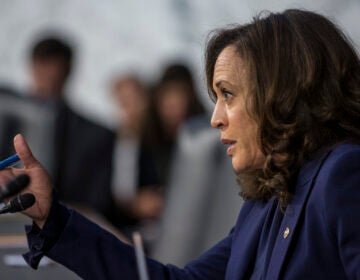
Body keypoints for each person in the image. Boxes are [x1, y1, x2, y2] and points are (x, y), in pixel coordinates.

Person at [1, 9, 360, 279]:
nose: (215, 117)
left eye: (229, 95)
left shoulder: (343, 176)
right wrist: (53, 217)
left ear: (284, 95)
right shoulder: (265, 201)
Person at [26, 36, 116, 217]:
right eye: (43, 70)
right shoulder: (6, 125)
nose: (48, 80)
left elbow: (96, 204)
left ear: (68, 72)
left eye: (54, 72)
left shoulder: (96, 137)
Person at [109, 74, 162, 239]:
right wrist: (132, 205)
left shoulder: (157, 141)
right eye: (124, 102)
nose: (130, 109)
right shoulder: (107, 143)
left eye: (136, 101)